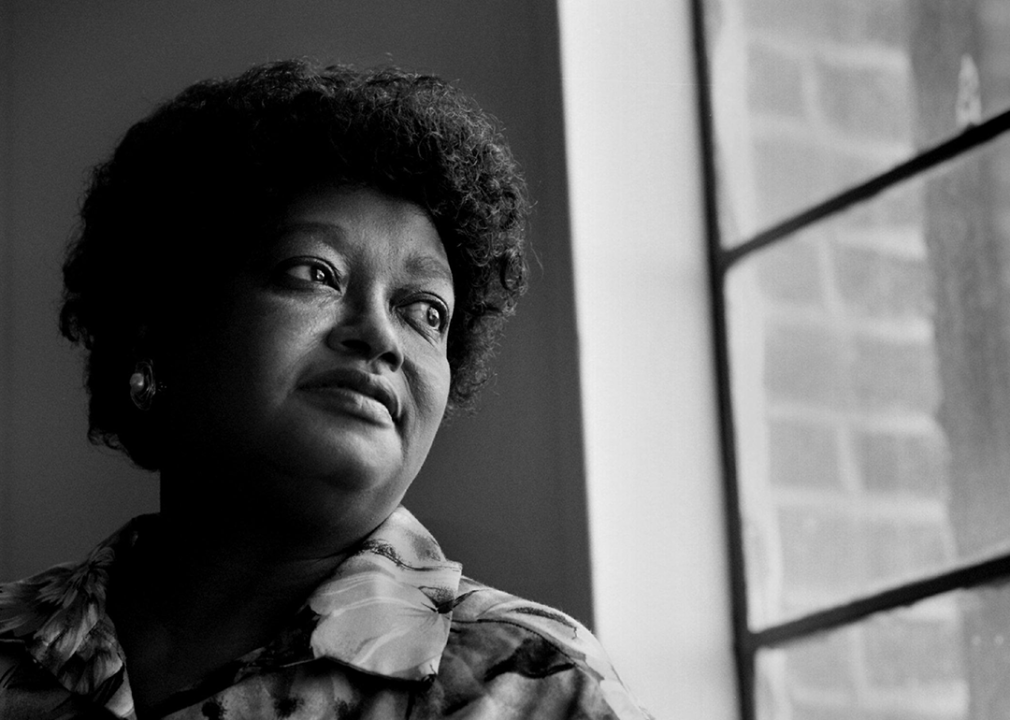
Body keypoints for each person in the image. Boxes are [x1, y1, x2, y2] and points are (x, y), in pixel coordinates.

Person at [0, 60, 652, 719]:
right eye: (317, 272)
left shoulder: (531, 688)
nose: (381, 336)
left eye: (426, 312)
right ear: (161, 332)